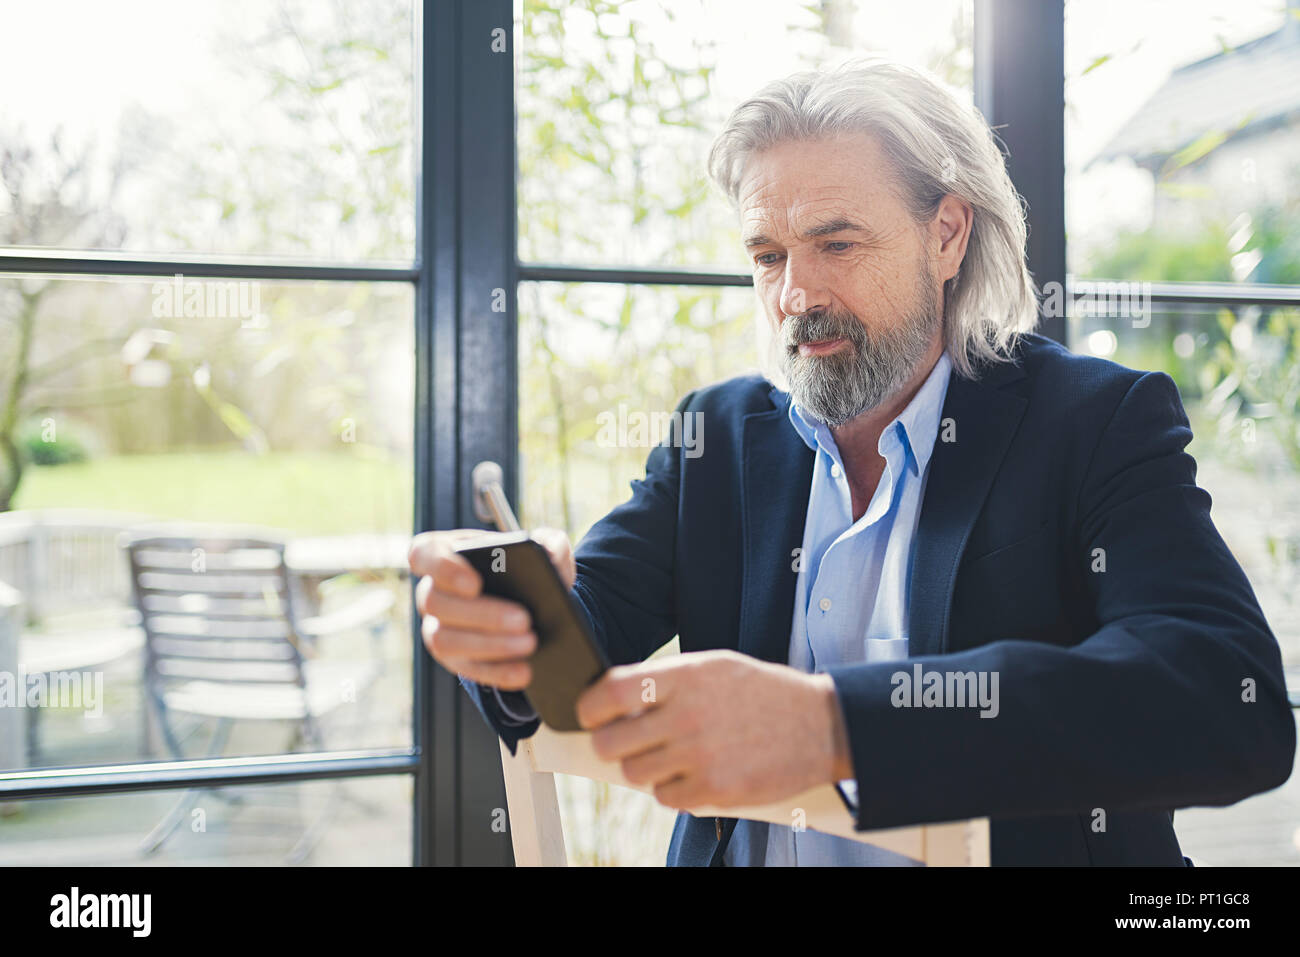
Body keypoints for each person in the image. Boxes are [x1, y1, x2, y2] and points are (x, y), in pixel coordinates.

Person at [408, 59, 1295, 866]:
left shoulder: (1095, 423)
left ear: (947, 235)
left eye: (835, 244)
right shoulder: (714, 438)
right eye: (768, 256)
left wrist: (835, 725)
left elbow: (1227, 699)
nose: (795, 295)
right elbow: (583, 638)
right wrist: (514, 622)